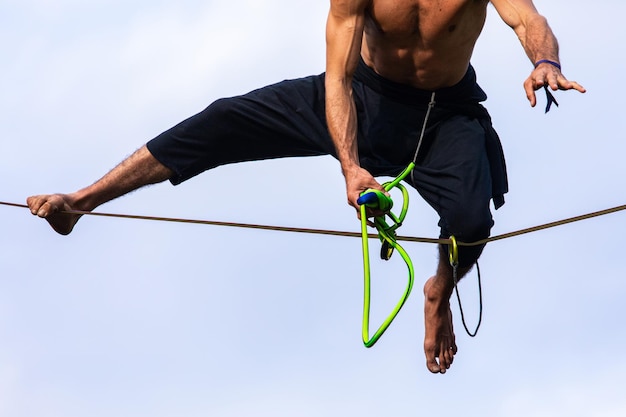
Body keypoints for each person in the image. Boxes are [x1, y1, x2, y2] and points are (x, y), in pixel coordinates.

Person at [26, 0, 585, 374]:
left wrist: (544, 59)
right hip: (362, 98)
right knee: (224, 120)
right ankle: (82, 200)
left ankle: (438, 289)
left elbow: (527, 20)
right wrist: (351, 167)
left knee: (470, 221)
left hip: (445, 112)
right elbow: (337, 80)